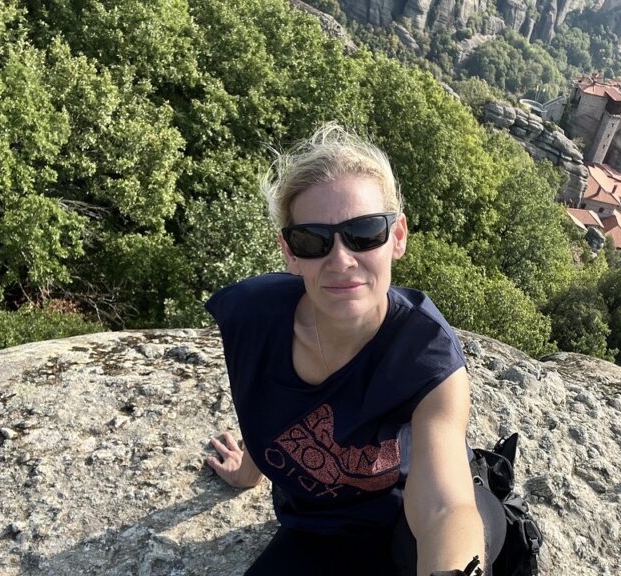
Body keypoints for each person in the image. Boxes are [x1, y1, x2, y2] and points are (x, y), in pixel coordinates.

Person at [204, 123, 505, 576]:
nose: (341, 259)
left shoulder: (426, 354)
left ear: (397, 236)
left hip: (408, 516)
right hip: (321, 527)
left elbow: (445, 509)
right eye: (313, 240)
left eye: (364, 233)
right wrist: (249, 472)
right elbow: (262, 407)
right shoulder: (252, 317)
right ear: (289, 252)